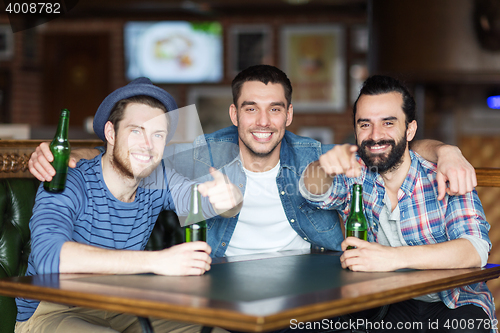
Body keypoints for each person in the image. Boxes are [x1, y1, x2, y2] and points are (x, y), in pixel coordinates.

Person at [29, 65, 477, 258]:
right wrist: (69, 156)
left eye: (275, 109)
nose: (263, 122)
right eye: (250, 109)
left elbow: (384, 146)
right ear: (233, 114)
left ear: (290, 115)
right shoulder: (198, 147)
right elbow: (134, 150)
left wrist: (447, 151)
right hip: (222, 282)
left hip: (311, 284)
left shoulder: (315, 155)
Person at [16, 78, 242, 333]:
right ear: (111, 133)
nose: (147, 145)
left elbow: (206, 202)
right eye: (136, 130)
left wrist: (231, 199)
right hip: (54, 309)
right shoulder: (69, 180)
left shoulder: (158, 179)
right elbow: (50, 259)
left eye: (158, 135)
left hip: (121, 304)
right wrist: (157, 262)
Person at [299, 75, 494, 332]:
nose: (375, 135)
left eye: (388, 123)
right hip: (390, 302)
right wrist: (323, 166)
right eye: (365, 124)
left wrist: (391, 258)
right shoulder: (357, 173)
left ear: (410, 130)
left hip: (455, 303)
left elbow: (475, 250)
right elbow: (312, 191)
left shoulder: (445, 173)